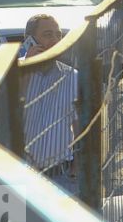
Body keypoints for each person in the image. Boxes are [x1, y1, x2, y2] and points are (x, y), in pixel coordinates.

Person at [17, 13, 78, 184]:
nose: (56, 40)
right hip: (21, 176)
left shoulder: (72, 76)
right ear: (30, 41)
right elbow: (8, 112)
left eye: (58, 35)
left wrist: (76, 169)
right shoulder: (12, 73)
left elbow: (81, 127)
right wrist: (26, 69)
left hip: (61, 176)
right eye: (47, 35)